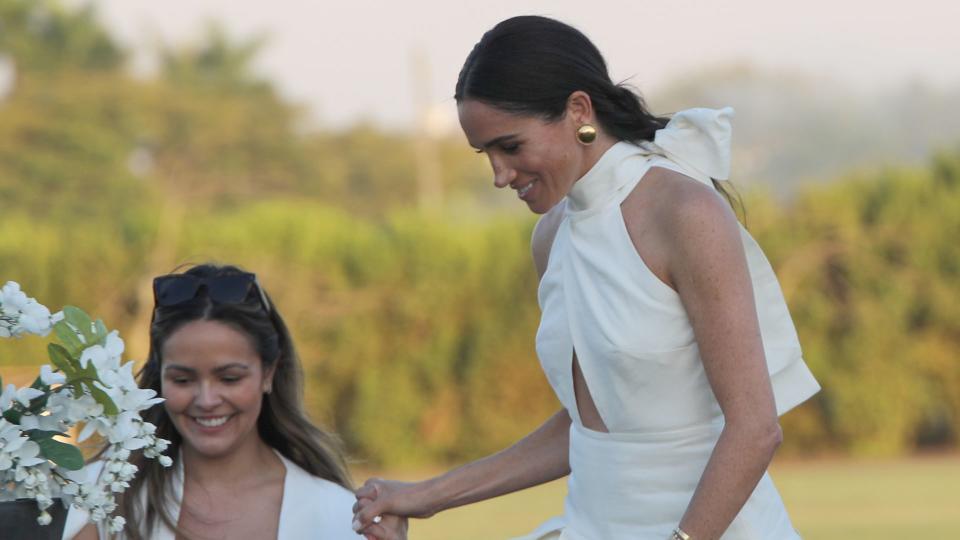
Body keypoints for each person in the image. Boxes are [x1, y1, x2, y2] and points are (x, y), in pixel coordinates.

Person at [352, 15, 820, 540]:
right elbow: (591, 427)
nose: (499, 175)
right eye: (485, 154)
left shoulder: (684, 211)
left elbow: (755, 429)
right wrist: (421, 497)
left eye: (510, 146)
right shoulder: (551, 237)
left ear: (578, 110)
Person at [64, 264, 406, 540]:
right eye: (183, 379)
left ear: (269, 372)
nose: (207, 399)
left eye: (229, 378)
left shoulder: (335, 515)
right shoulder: (99, 495)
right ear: (160, 377)